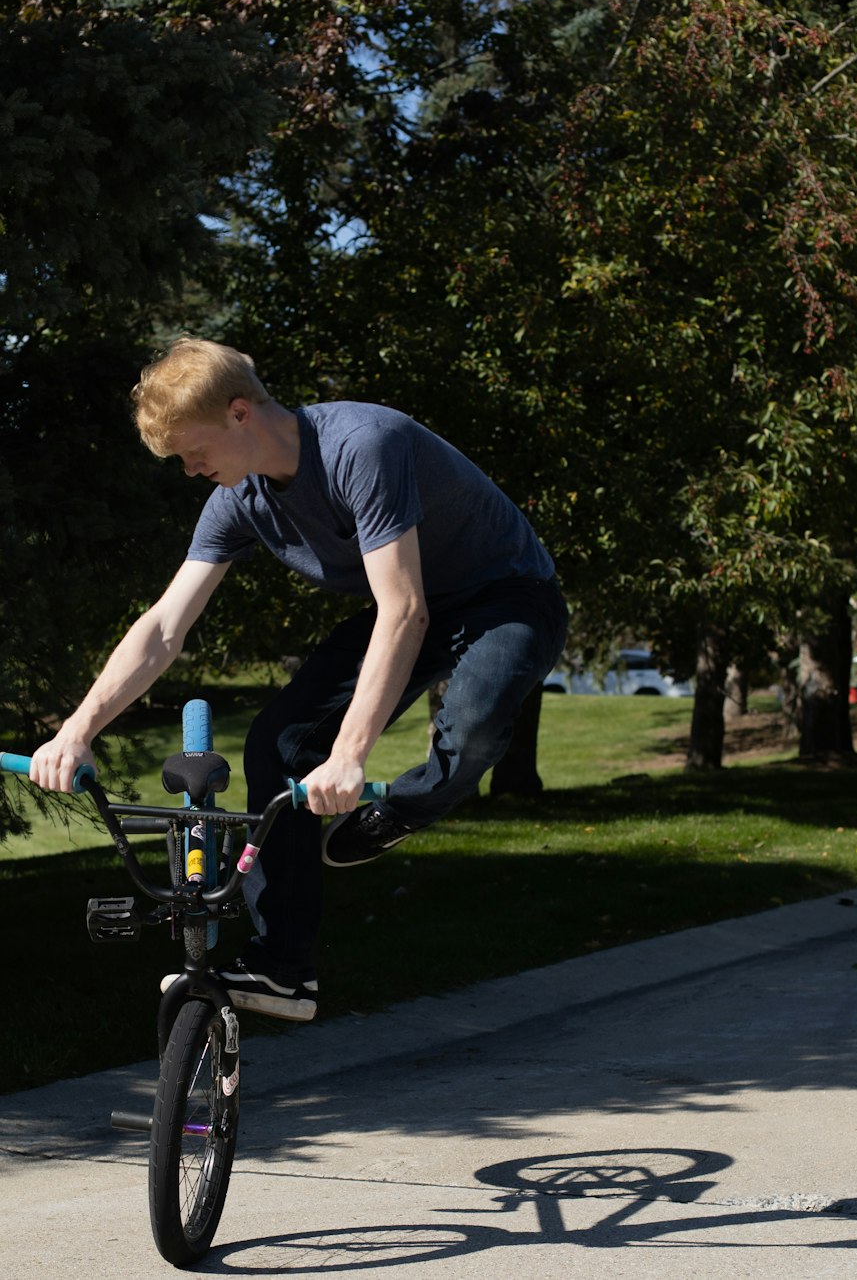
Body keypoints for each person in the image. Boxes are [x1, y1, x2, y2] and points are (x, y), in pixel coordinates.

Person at [30, 337, 568, 1022]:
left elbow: (405, 610)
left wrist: (349, 756)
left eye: (191, 452)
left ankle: (405, 808)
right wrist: (76, 731)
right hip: (407, 605)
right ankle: (283, 967)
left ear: (239, 413)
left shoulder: (362, 446)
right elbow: (165, 626)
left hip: (509, 594)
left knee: (478, 718)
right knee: (276, 744)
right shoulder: (237, 501)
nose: (190, 470)